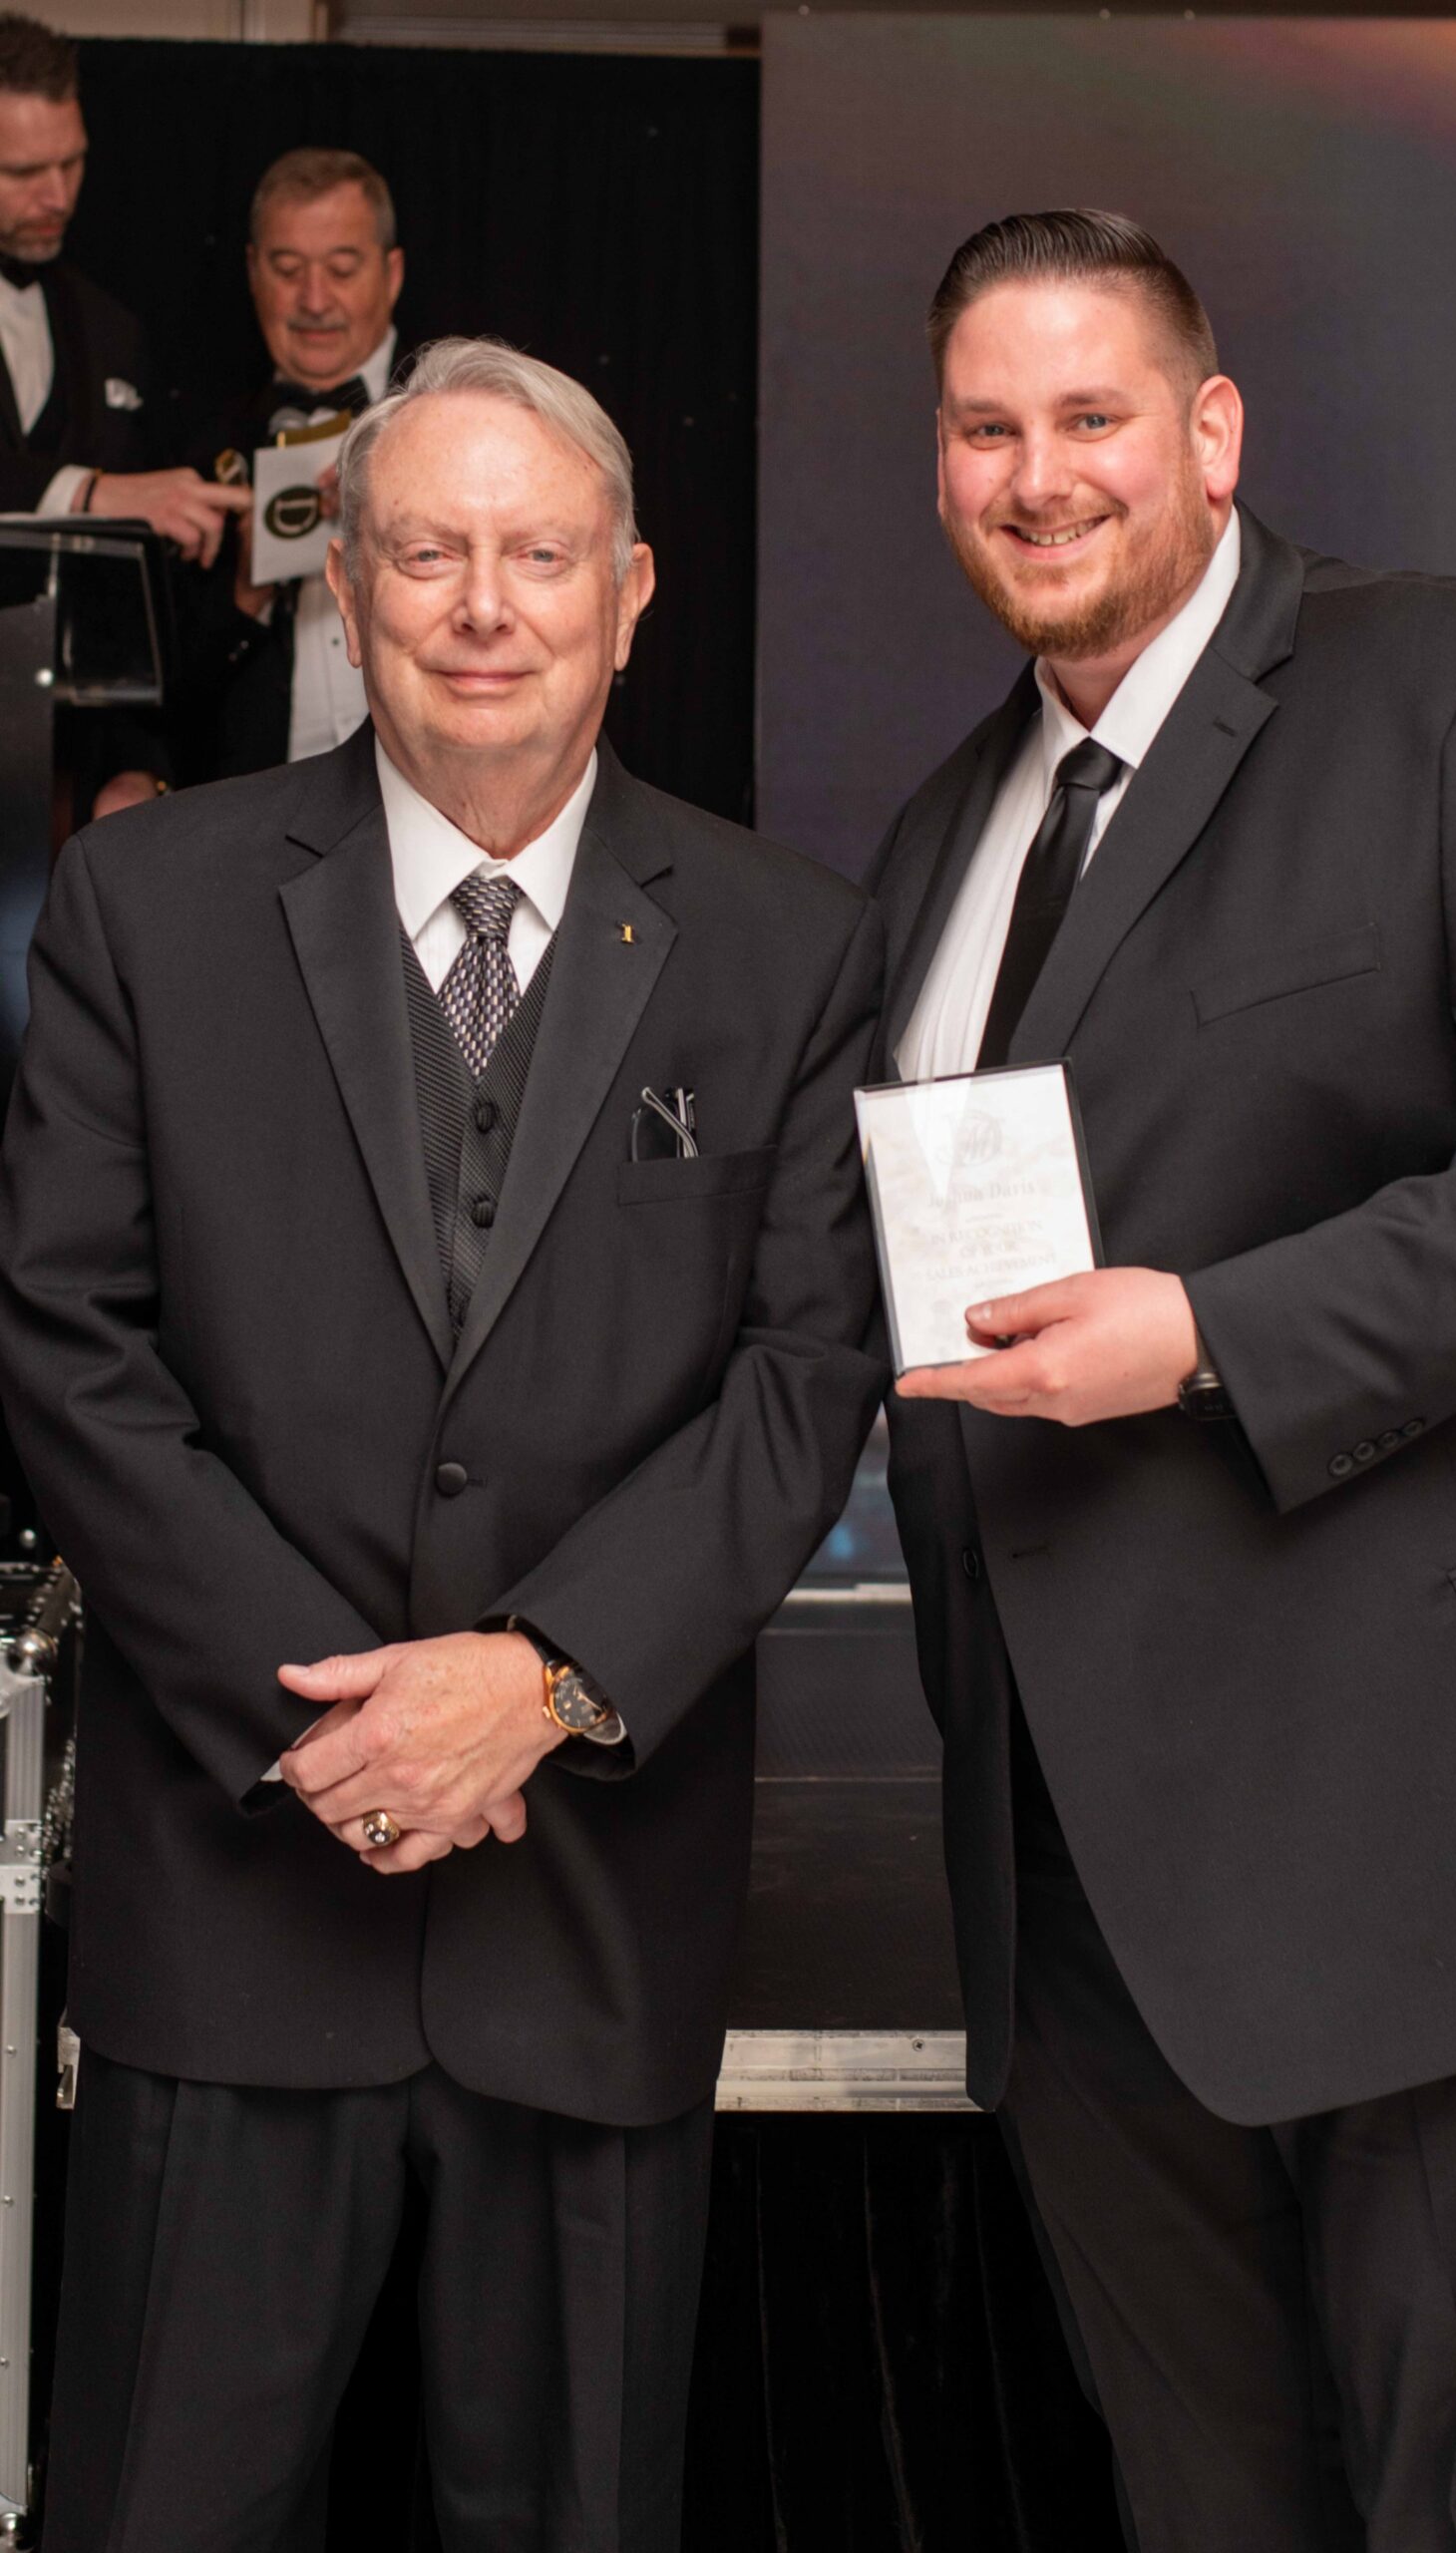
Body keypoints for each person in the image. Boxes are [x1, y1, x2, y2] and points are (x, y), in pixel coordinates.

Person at [0, 335, 884, 2550]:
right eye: (427, 554)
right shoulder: (144, 906)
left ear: (631, 591)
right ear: (348, 588)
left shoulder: (790, 943)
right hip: (236, 1897)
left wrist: (543, 1680)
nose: (485, 605)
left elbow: (805, 1371)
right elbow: (68, 1342)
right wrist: (332, 1721)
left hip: (588, 1912)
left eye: (540, 556)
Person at [871, 207, 1456, 2553]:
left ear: (1212, 431)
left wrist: (1215, 1330)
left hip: (1443, 1845)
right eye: (984, 428)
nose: (1038, 475)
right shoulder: (940, 837)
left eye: (1091, 415)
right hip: (1081, 1902)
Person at [0, 10, 247, 816]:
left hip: (58, 786)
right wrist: (91, 491)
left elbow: (118, 609)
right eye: (22, 171)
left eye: (71, 162)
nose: (58, 196)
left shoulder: (108, 327)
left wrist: (138, 766)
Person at [178, 146, 408, 782]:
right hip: (260, 801)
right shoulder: (202, 449)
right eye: (287, 269)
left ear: (391, 274)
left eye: (341, 269)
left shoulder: (457, 420)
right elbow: (166, 704)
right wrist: (247, 589)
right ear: (253, 272)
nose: (314, 299)